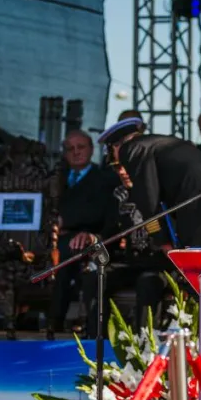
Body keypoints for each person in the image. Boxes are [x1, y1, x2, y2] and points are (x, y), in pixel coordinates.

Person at [97, 113, 201, 249]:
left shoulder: (132, 148)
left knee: (197, 256)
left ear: (116, 146)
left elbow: (147, 198)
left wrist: (162, 241)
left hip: (196, 198)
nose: (122, 168)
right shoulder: (165, 141)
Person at [50, 129, 119, 333]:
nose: (76, 152)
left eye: (80, 147)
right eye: (70, 148)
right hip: (53, 237)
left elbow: (103, 216)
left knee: (65, 255)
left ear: (91, 150)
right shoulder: (56, 178)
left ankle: (56, 321)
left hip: (91, 239)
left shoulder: (105, 179)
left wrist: (68, 222)